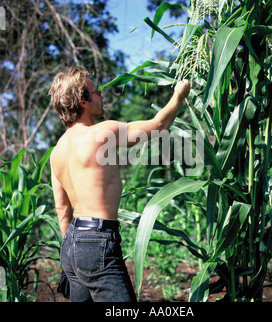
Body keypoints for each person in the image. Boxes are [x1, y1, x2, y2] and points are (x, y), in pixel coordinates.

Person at [48, 66, 190, 302]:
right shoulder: (101, 133)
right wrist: (179, 95)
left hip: (71, 242)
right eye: (95, 92)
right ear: (82, 102)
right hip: (98, 240)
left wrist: (72, 252)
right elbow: (158, 126)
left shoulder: (57, 152)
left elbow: (62, 210)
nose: (101, 96)